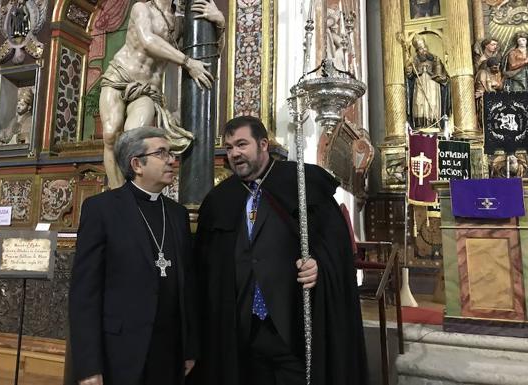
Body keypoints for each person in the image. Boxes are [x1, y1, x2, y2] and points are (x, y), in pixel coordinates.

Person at [192, 116, 368, 385]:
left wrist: (319, 265)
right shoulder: (219, 200)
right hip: (240, 328)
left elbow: (336, 247)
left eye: (241, 144)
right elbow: (206, 267)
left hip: (293, 323)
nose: (234, 153)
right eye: (229, 148)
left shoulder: (303, 183)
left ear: (263, 144)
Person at [69, 127, 198, 385]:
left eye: (171, 153)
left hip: (169, 352)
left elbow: (188, 287)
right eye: (162, 153)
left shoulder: (176, 214)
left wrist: (190, 348)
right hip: (120, 352)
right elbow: (85, 293)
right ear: (137, 164)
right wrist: (88, 366)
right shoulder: (102, 210)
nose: (172, 160)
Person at [99, 0, 225, 188]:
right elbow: (148, 40)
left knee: (133, 138)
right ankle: (117, 194)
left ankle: (131, 193)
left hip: (148, 89)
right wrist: (188, 63)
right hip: (120, 75)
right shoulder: (141, 8)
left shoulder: (180, 22)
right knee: (110, 135)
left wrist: (220, 23)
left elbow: (210, 51)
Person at [405, 38, 451, 130]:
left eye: (425, 48)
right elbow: (409, 75)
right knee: (419, 102)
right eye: (421, 49)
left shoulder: (435, 59)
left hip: (432, 85)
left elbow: (441, 74)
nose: (424, 50)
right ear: (417, 51)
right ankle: (420, 124)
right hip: (419, 85)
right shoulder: (414, 61)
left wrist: (437, 73)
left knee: (433, 103)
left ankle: (434, 123)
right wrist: (409, 69)